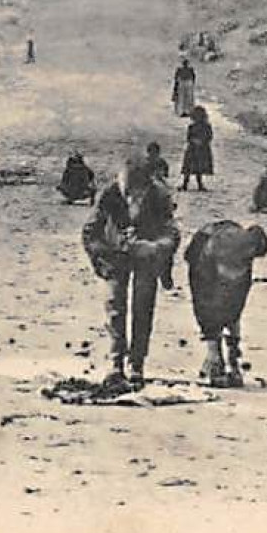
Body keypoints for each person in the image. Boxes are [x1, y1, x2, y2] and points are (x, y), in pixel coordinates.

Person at [81, 156, 180, 389]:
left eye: (136, 196)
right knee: (115, 307)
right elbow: (89, 233)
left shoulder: (159, 196)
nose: (131, 200)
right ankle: (116, 362)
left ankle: (137, 363)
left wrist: (155, 247)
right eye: (128, 195)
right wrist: (108, 252)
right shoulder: (110, 194)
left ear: (147, 188)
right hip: (116, 258)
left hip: (147, 258)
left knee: (143, 307)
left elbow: (172, 233)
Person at [184, 220, 267, 388]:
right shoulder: (207, 252)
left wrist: (233, 353)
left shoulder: (244, 251)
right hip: (203, 261)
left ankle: (231, 360)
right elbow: (204, 307)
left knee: (232, 307)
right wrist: (213, 350)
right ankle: (216, 360)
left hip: (218, 255)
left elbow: (235, 306)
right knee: (209, 308)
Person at [180, 105, 214, 192]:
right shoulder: (191, 127)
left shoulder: (207, 127)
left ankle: (200, 184)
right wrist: (194, 141)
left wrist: (202, 141)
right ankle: (185, 184)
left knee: (199, 168)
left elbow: (209, 137)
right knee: (188, 168)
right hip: (192, 149)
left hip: (202, 149)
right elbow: (188, 137)